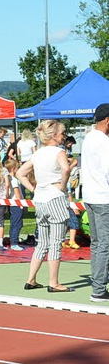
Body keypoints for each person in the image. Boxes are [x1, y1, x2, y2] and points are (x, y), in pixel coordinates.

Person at [17, 119, 74, 293]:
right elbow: (65, 169)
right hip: (55, 198)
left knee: (42, 242)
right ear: (54, 135)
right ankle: (54, 282)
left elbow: (20, 173)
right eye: (63, 133)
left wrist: (33, 188)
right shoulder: (59, 151)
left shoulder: (38, 154)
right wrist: (63, 185)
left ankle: (31, 279)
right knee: (56, 242)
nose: (64, 136)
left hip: (40, 200)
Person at [80, 103, 109, 301]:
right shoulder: (103, 142)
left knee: (98, 243)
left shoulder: (89, 137)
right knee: (104, 244)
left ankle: (98, 283)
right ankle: (99, 288)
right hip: (103, 197)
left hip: (90, 195)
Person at [5, 158, 25, 250]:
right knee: (17, 223)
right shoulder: (14, 180)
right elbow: (17, 193)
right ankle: (14, 242)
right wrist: (21, 204)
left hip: (11, 204)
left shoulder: (8, 178)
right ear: (13, 169)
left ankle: (12, 239)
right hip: (16, 204)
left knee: (13, 223)